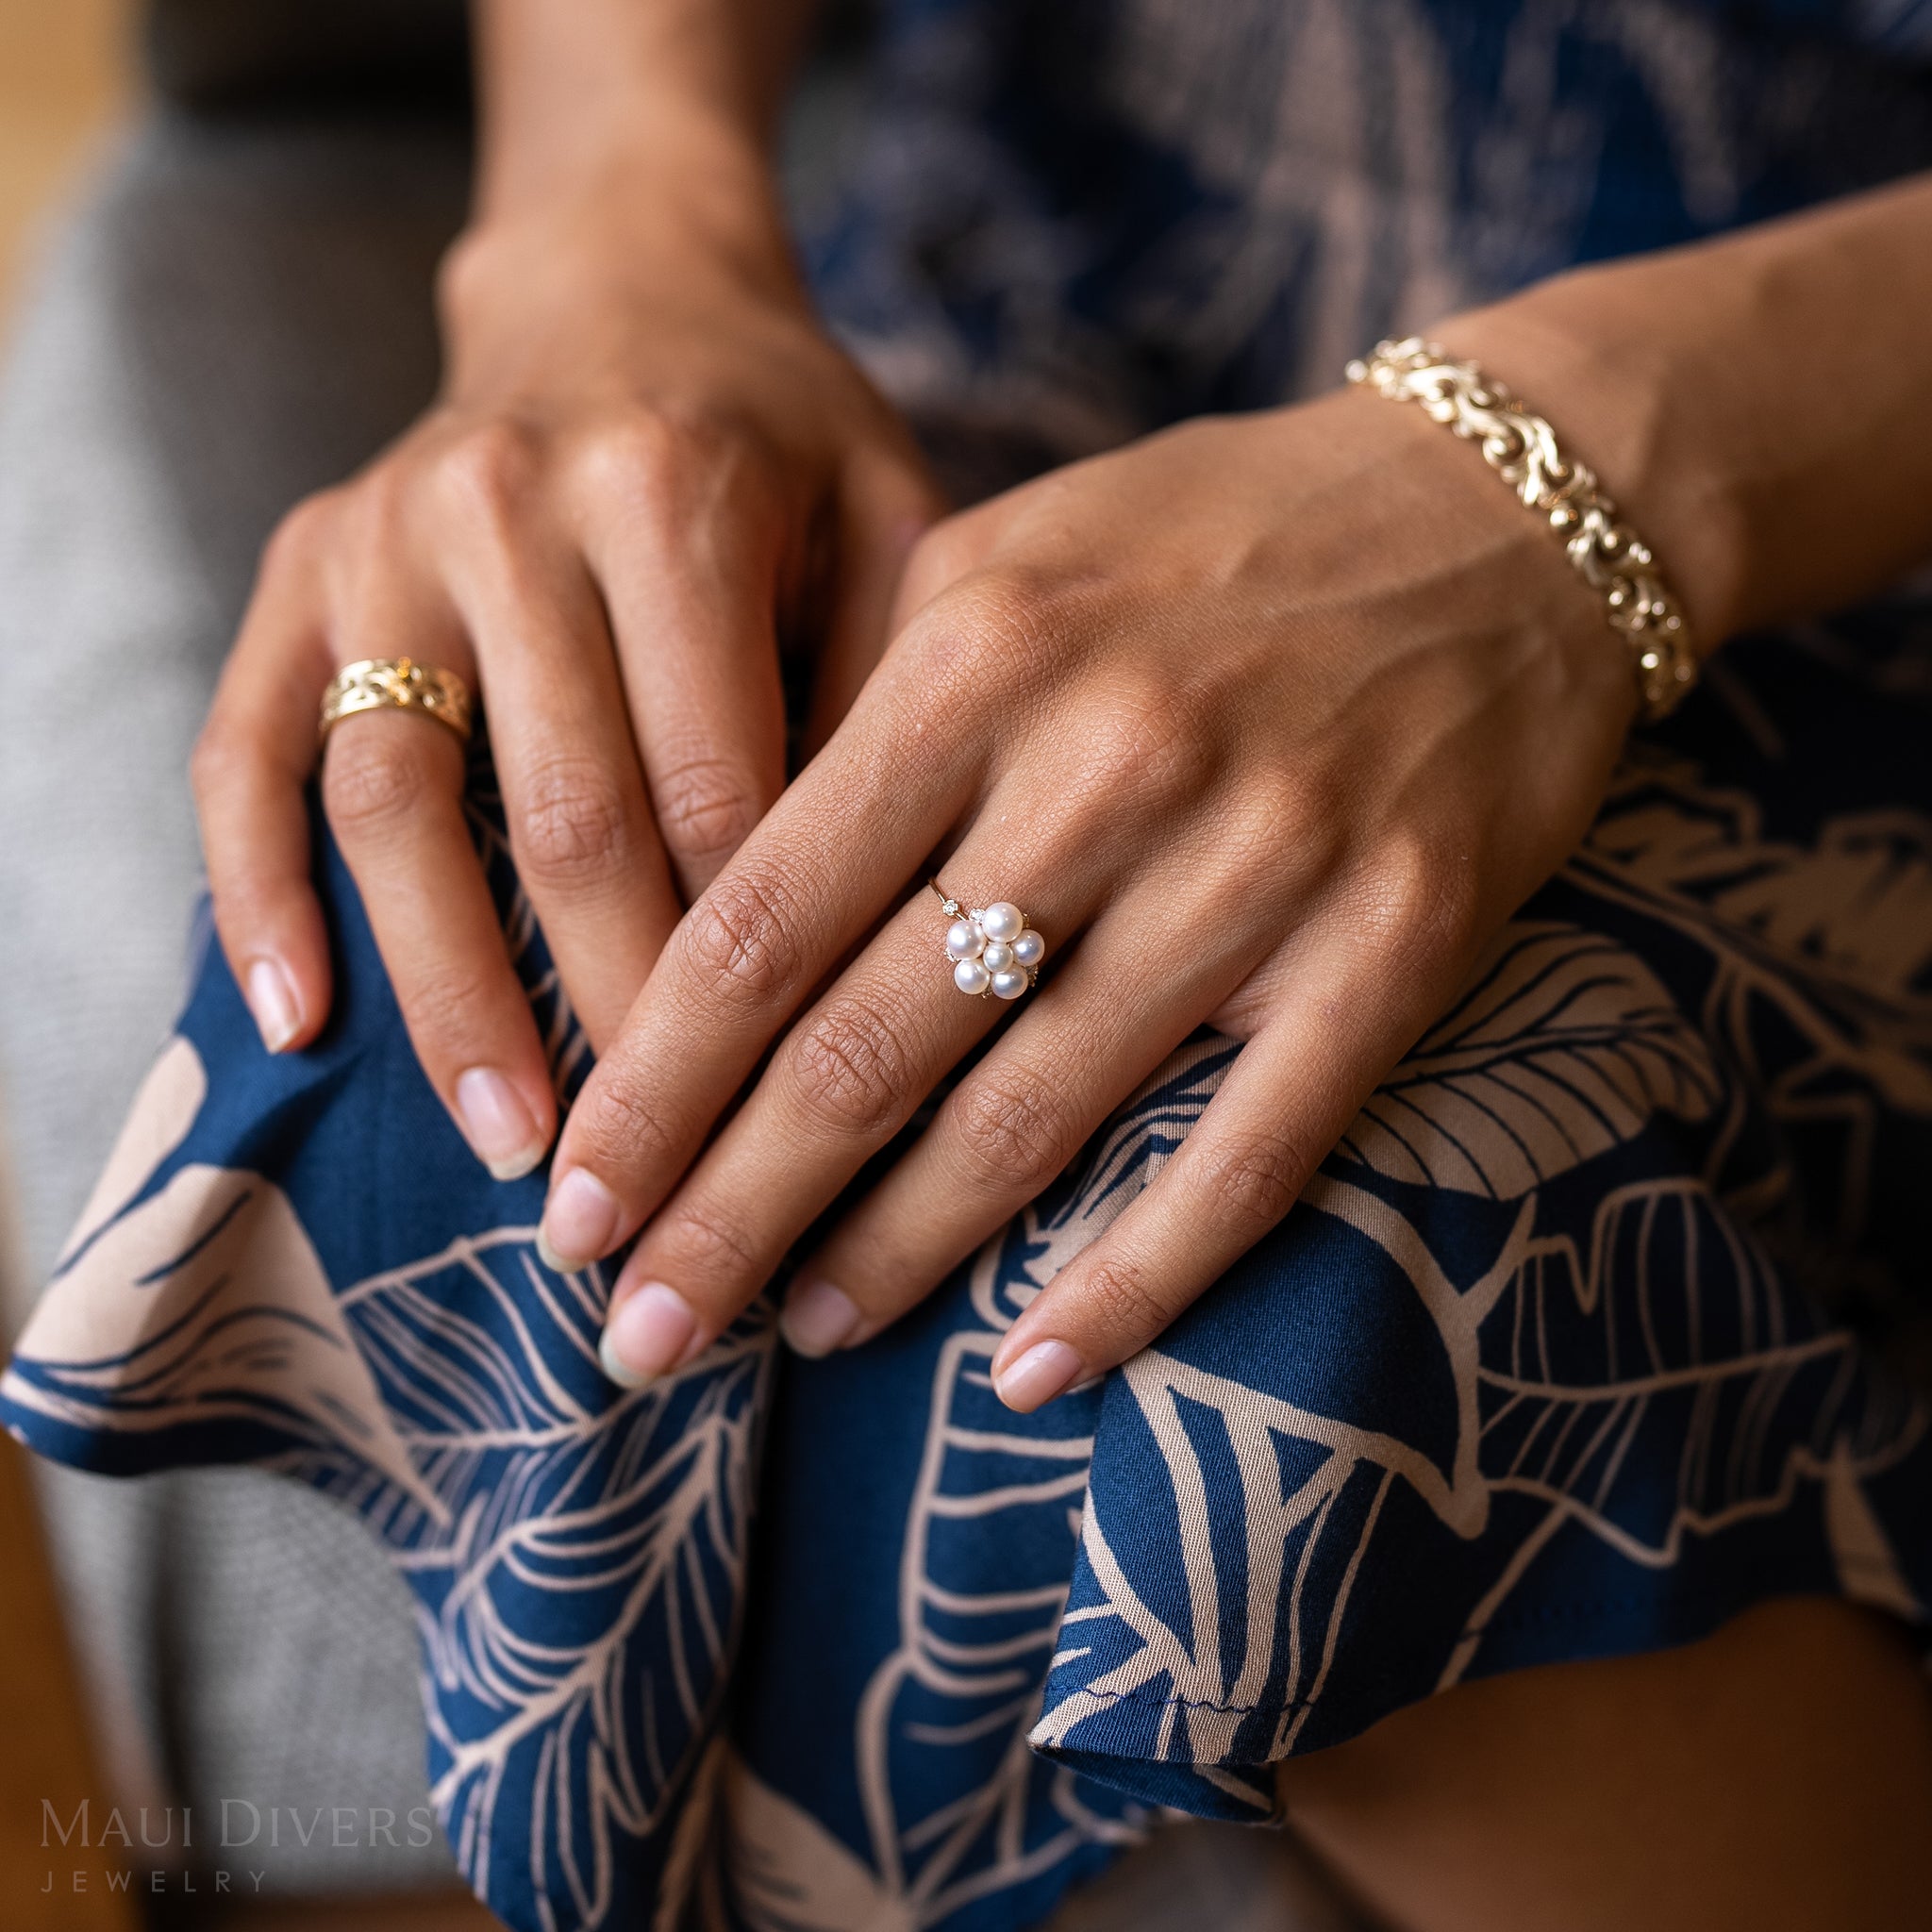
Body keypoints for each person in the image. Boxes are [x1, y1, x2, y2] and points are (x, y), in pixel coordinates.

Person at [25, 1, 1932, 1926]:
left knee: (1267, 1272)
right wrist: (612, 224)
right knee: (531, 896)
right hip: (1057, 288)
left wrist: (1564, 486)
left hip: (1842, 460)